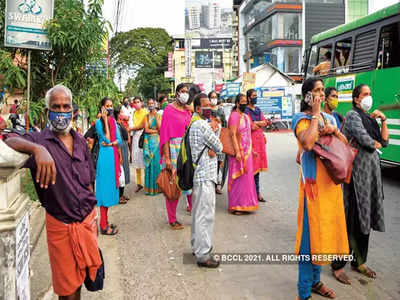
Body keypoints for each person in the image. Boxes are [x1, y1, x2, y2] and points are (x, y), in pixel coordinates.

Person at [4, 85, 101, 300]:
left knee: (85, 279)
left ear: (73, 111)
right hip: (61, 225)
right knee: (66, 289)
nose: (61, 111)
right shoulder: (39, 141)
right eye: (56, 107)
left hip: (86, 221)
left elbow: (89, 181)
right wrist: (37, 150)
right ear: (48, 112)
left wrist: (94, 216)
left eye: (66, 106)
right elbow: (8, 139)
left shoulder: (81, 142)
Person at [292, 78, 349, 300]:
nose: (322, 94)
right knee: (309, 240)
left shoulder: (330, 117)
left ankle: (316, 281)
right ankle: (304, 291)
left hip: (331, 189)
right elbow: (307, 144)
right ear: (307, 95)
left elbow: (344, 145)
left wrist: (334, 131)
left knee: (323, 236)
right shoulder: (301, 119)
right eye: (316, 90)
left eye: (323, 90)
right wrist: (316, 115)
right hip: (313, 190)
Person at [331, 84, 388, 284]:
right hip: (356, 178)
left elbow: (384, 141)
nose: (369, 98)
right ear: (356, 99)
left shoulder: (370, 117)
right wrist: (375, 143)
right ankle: (338, 264)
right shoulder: (353, 116)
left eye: (370, 94)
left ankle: (359, 261)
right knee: (352, 220)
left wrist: (383, 121)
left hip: (371, 178)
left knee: (366, 219)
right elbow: (368, 141)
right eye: (365, 94)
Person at [189, 93, 223, 268]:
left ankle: (197, 245)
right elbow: (219, 146)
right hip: (205, 175)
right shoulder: (202, 125)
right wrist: (215, 132)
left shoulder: (193, 122)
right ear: (197, 108)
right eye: (205, 105)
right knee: (205, 215)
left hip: (199, 175)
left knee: (197, 213)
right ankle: (203, 254)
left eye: (210, 104)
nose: (209, 107)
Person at [159, 83, 192, 229]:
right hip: (172, 150)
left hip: (186, 150)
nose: (185, 94)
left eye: (187, 92)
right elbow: (165, 135)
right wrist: (167, 158)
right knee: (174, 186)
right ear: (177, 93)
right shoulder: (169, 110)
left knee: (190, 184)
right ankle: (172, 219)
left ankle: (196, 213)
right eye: (183, 91)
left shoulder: (187, 111)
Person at [227, 94, 258, 215]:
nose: (245, 103)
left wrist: (253, 150)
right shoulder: (234, 116)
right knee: (238, 180)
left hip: (248, 152)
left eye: (246, 101)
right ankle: (236, 205)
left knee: (247, 178)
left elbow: (248, 134)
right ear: (237, 103)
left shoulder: (246, 116)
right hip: (238, 152)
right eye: (243, 102)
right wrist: (237, 151)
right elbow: (232, 134)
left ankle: (246, 204)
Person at [96, 97, 121, 235]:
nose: (110, 108)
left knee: (109, 189)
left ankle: (105, 221)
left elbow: (117, 139)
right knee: (104, 191)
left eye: (111, 105)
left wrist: (111, 143)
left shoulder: (113, 121)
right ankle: (103, 225)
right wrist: (105, 121)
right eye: (107, 105)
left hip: (111, 156)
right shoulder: (99, 123)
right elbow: (106, 137)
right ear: (102, 107)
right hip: (105, 158)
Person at [245, 89, 268, 203]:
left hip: (259, 140)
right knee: (251, 167)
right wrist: (258, 123)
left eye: (256, 96)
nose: (255, 98)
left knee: (257, 168)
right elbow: (250, 125)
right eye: (254, 96)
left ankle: (257, 192)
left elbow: (264, 122)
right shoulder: (246, 110)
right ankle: (251, 193)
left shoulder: (258, 109)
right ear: (249, 98)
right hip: (251, 141)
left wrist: (257, 122)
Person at [143, 98, 162, 196]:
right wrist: (155, 131)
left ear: (155, 104)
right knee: (149, 165)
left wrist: (156, 116)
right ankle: (149, 188)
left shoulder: (159, 115)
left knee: (156, 164)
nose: (150, 105)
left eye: (152, 103)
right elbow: (146, 130)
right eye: (149, 103)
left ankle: (158, 187)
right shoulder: (146, 117)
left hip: (157, 143)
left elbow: (160, 129)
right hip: (148, 143)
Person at [130, 97, 147, 193]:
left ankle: (147, 183)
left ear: (141, 102)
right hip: (136, 137)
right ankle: (139, 184)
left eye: (138, 102)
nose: (136, 104)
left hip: (143, 136)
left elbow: (143, 125)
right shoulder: (133, 113)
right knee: (136, 160)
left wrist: (132, 128)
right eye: (135, 102)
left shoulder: (145, 112)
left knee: (144, 159)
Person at [114, 109, 131, 204]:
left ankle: (122, 194)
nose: (122, 114)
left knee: (125, 170)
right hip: (120, 148)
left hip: (124, 147)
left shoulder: (120, 123)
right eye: (120, 113)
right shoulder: (115, 125)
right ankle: (119, 196)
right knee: (121, 173)